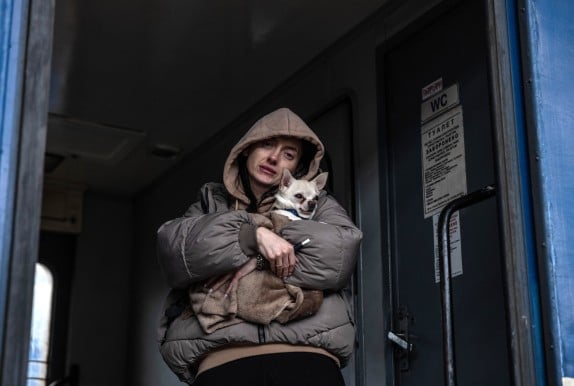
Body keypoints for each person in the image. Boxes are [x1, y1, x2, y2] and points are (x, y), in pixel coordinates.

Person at [156, 107, 362, 385]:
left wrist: (254, 260)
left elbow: (338, 255)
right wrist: (251, 236)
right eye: (267, 144)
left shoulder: (320, 203)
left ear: (297, 167)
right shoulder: (209, 202)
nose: (274, 158)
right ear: (246, 149)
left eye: (289, 154)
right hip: (222, 362)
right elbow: (175, 251)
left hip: (307, 359)